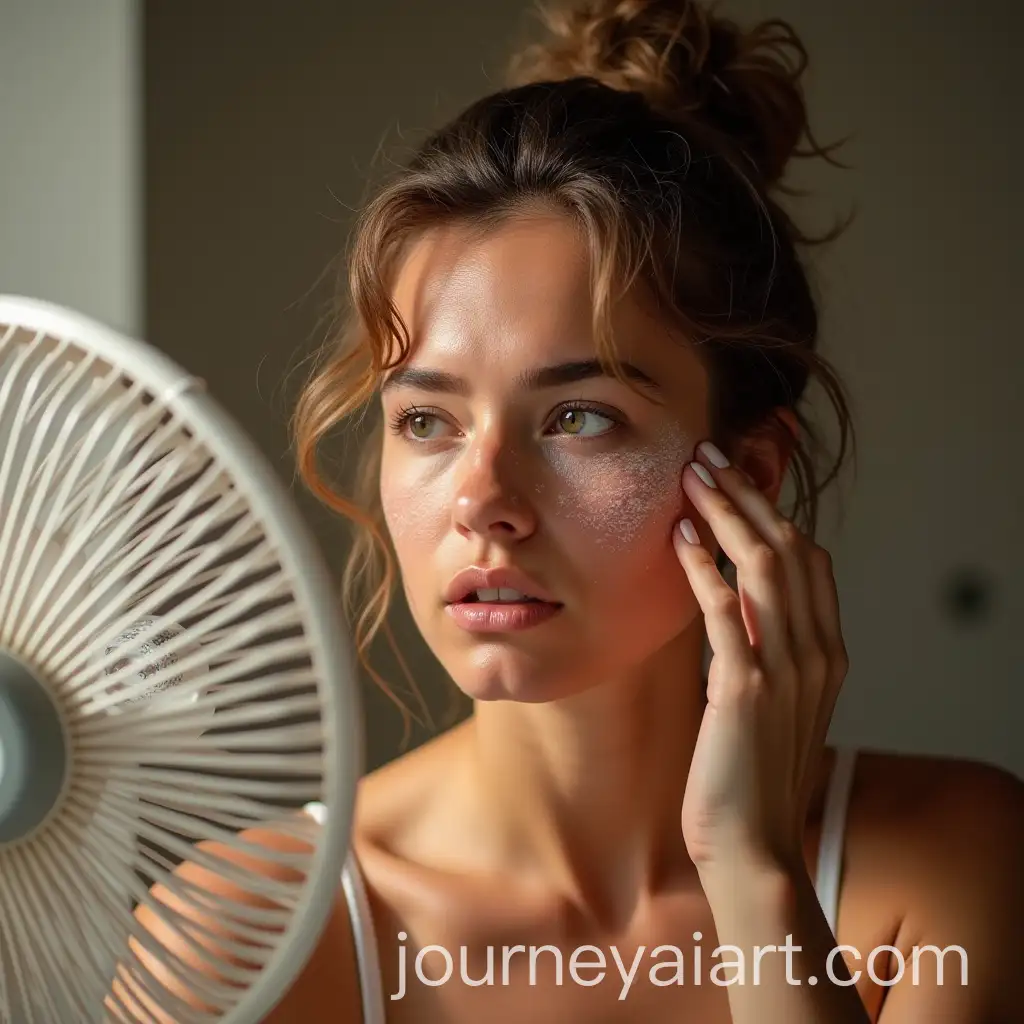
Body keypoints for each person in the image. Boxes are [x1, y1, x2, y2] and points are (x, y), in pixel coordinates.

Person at [116, 1, 1024, 1022]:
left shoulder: (950, 865)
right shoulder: (248, 931)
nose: (484, 502)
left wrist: (753, 869)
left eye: (579, 416)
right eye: (427, 420)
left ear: (753, 472)